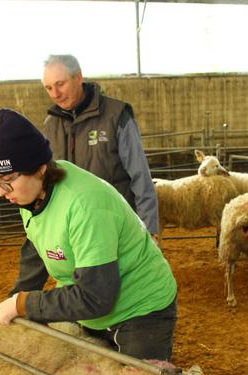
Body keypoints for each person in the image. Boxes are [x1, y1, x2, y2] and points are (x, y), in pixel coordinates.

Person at [0, 108, 194, 375]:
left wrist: (25, 305)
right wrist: (15, 297)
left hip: (139, 308)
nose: (1, 192)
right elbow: (35, 246)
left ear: (40, 168)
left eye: (7, 181)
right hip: (93, 304)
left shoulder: (83, 204)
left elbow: (96, 296)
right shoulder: (32, 198)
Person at [41, 54, 160, 240]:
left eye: (60, 84)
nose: (55, 94)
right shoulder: (51, 125)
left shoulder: (116, 115)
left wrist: (148, 228)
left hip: (117, 226)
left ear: (78, 77)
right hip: (74, 229)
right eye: (49, 88)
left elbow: (140, 175)